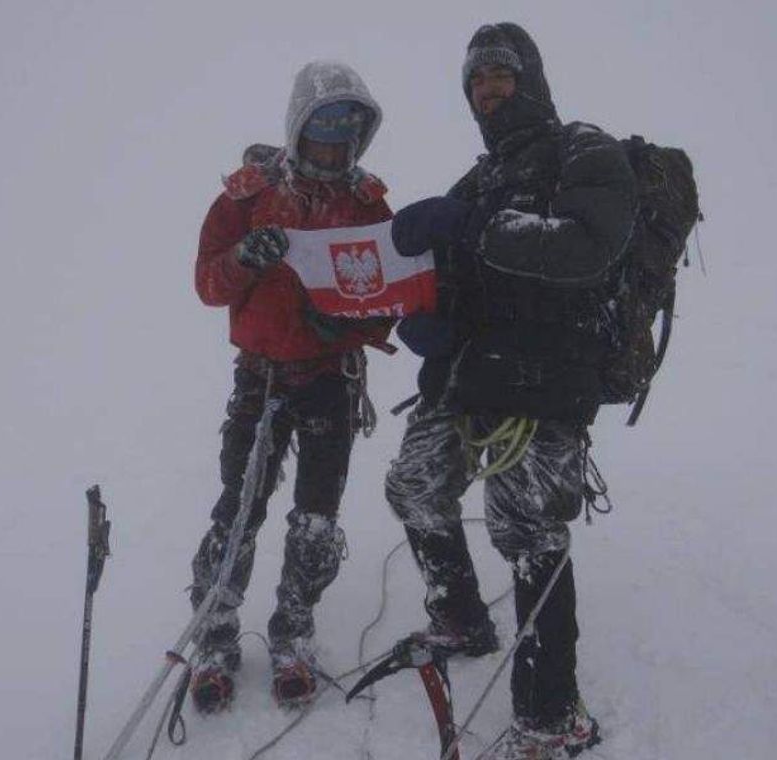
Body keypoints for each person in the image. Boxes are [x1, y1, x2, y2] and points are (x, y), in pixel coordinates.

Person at [385, 23, 638, 758]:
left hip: (549, 379)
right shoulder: (481, 175)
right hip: (474, 375)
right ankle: (461, 617)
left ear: (530, 78)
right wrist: (430, 320)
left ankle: (551, 716)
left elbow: (588, 250)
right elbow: (466, 279)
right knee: (414, 486)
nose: (487, 90)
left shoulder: (584, 149)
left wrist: (474, 225)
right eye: (475, 81)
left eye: (499, 74)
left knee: (526, 533)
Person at [189, 60, 392, 712]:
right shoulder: (247, 199)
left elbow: (388, 295)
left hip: (330, 381)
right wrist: (246, 258)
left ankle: (294, 629)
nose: (334, 145)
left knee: (315, 520)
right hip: (261, 379)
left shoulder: (365, 204)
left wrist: (357, 316)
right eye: (323, 129)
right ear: (299, 126)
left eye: (346, 132)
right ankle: (215, 635)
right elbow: (207, 285)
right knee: (239, 509)